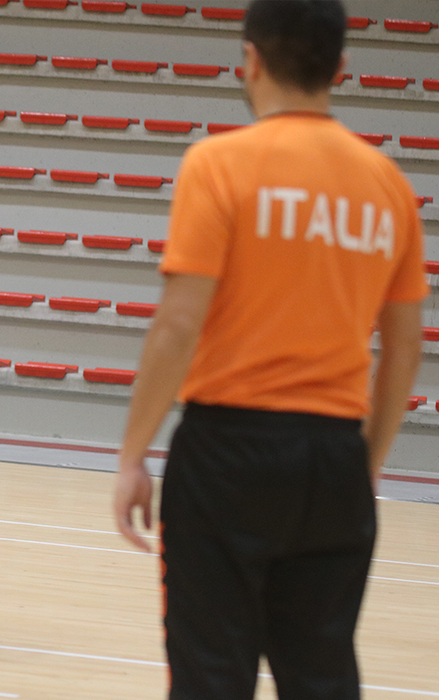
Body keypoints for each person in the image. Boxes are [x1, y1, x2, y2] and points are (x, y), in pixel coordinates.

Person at [113, 2, 426, 698]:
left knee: (211, 676)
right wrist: (363, 464)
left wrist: (133, 454)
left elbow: (178, 324)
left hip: (229, 452)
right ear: (340, 67)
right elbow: (406, 347)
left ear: (249, 60)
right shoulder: (390, 188)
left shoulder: (220, 164)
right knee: (321, 676)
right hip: (335, 458)